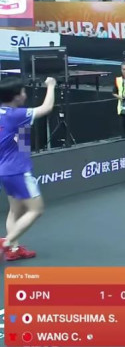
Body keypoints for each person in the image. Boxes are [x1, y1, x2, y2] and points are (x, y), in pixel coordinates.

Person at [0, 76, 56, 261]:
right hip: (18, 171)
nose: (25, 94)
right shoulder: (16, 115)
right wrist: (51, 85)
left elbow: (21, 141)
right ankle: (6, 243)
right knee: (36, 210)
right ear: (16, 96)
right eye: (23, 91)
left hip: (5, 170)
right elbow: (46, 108)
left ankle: (14, 249)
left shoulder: (7, 114)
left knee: (15, 211)